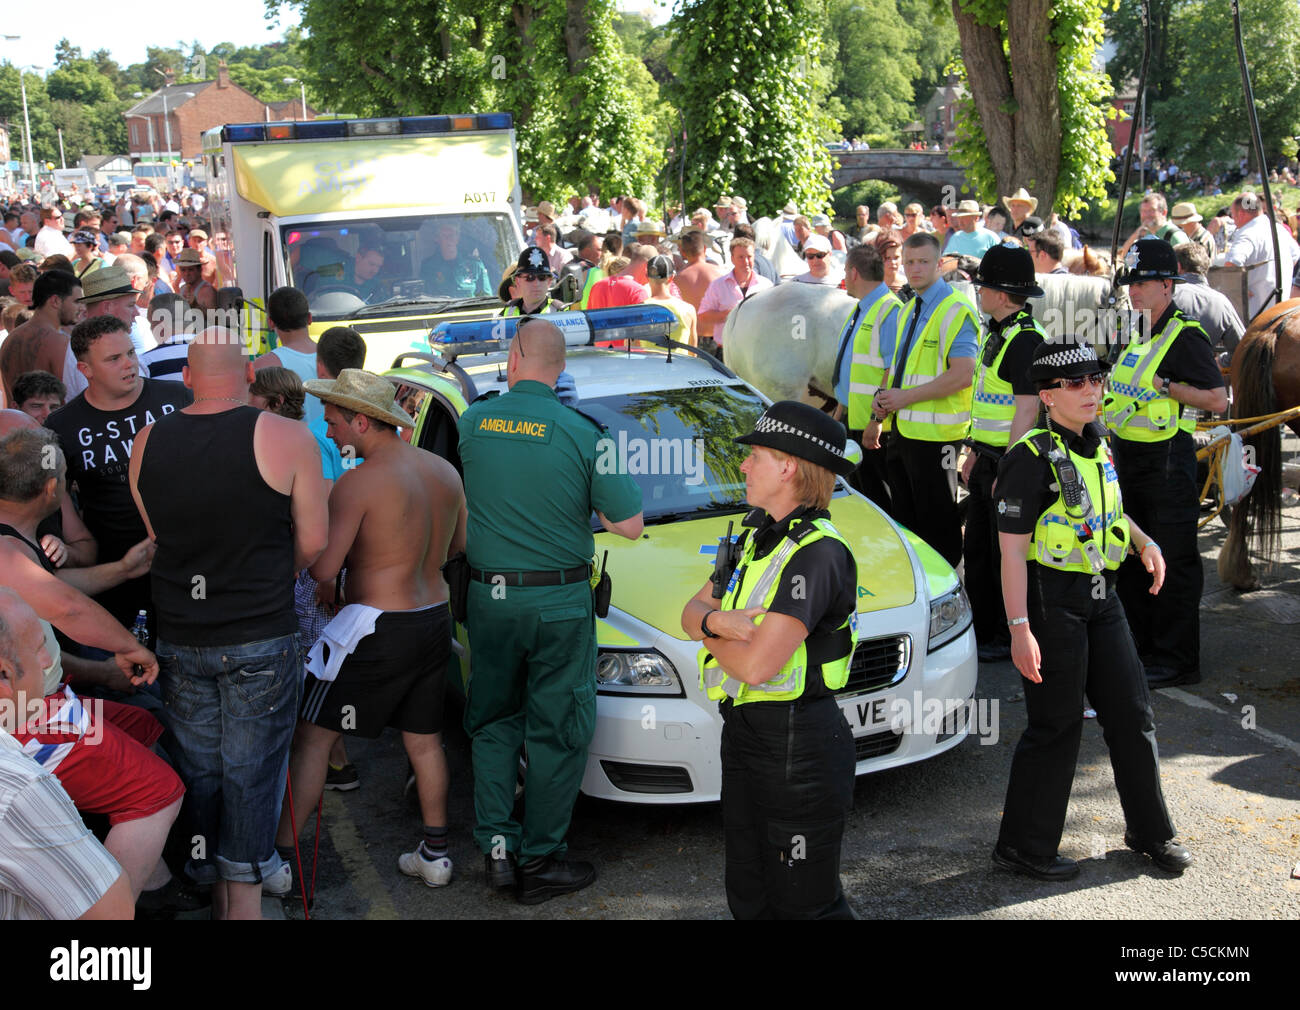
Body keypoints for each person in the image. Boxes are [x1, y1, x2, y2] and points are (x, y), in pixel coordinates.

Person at [129, 326, 329, 920]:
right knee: (252, 775)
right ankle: (242, 905)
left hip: (183, 634)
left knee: (204, 771)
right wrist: (269, 573)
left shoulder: (147, 441)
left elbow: (160, 535)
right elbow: (313, 543)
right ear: (247, 377)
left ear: (186, 378)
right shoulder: (288, 436)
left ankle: (214, 884)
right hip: (259, 632)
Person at [458, 318, 643, 903]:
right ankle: (540, 863)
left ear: (513, 358)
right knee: (557, 730)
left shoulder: (471, 422)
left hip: (489, 598)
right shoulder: (586, 434)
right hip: (558, 601)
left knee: (491, 723)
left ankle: (497, 852)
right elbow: (629, 526)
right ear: (561, 369)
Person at [992, 340, 1192, 881]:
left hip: (1103, 598)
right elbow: (1010, 553)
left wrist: (1143, 542)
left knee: (1133, 713)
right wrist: (1019, 629)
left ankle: (1150, 832)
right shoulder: (1027, 459)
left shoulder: (1101, 445)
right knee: (1055, 726)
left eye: (1095, 381)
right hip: (1049, 601)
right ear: (1047, 396)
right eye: (1074, 383)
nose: (1090, 391)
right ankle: (1023, 847)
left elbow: (1112, 516)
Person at [276, 369, 466, 888]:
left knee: (314, 738)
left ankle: (282, 861)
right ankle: (436, 854)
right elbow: (455, 547)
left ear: (362, 421)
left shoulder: (358, 483)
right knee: (425, 741)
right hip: (433, 618)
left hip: (375, 627)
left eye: (334, 421)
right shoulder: (445, 472)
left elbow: (321, 567)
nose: (330, 431)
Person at [680, 400, 859, 919]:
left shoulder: (817, 554)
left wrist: (710, 631)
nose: (743, 465)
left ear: (789, 467)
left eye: (755, 454)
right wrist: (719, 626)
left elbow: (758, 666)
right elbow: (691, 614)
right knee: (751, 893)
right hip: (745, 734)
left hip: (798, 747)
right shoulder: (758, 535)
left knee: (807, 905)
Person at [1105, 239, 1227, 688]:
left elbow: (1217, 398)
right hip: (1129, 459)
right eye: (1130, 283)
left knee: (1172, 558)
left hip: (1168, 463)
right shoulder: (1134, 330)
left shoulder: (1185, 334)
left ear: (1165, 285)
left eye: (1142, 284)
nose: (1133, 291)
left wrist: (1169, 386)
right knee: (1135, 554)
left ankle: (1178, 659)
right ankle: (1143, 645)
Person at [46, 316, 192, 630]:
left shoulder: (179, 398)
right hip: (116, 573)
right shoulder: (60, 427)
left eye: (130, 353)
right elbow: (48, 498)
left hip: (191, 564)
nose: (129, 365)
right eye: (114, 359)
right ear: (85, 370)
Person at [0, 589, 135, 920]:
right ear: (4, 675)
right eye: (38, 649)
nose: (48, 660)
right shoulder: (19, 787)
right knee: (160, 789)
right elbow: (112, 915)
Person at [864, 232, 979, 567]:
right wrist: (878, 416)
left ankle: (947, 601)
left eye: (924, 262)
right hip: (903, 433)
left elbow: (963, 375)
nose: (915, 269)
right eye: (909, 262)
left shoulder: (957, 310)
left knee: (938, 529)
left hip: (937, 440)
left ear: (939, 264)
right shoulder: (908, 307)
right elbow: (897, 370)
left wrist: (902, 399)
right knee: (908, 525)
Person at [962, 244, 1046, 663]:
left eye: (983, 287)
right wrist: (975, 451)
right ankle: (984, 628)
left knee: (1002, 555)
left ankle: (1001, 634)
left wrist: (1008, 467)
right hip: (989, 457)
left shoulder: (1025, 340)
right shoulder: (999, 333)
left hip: (1008, 463)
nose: (979, 292)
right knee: (978, 550)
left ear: (999, 293)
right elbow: (991, 406)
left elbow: (1028, 410)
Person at [834, 243, 903, 510]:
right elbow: (852, 368)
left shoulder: (889, 310)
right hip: (857, 419)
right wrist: (840, 410)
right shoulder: (862, 308)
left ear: (853, 273)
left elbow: (891, 370)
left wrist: (876, 420)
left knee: (878, 499)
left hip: (875, 429)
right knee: (861, 495)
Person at [0, 270, 81, 405]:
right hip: (52, 424)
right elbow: (74, 398)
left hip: (18, 424)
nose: (80, 308)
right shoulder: (60, 343)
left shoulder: (10, 338)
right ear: (55, 301)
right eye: (76, 301)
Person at [254, 287, 324, 429]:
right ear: (309, 318)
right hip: (336, 447)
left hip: (293, 446)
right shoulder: (334, 357)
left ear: (271, 322)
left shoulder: (263, 365)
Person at [697, 237, 773, 361]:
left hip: (758, 351)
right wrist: (728, 314)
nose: (746, 261)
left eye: (749, 256)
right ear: (732, 259)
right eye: (741, 257)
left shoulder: (766, 285)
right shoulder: (718, 285)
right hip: (727, 351)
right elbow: (702, 315)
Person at [1173, 243, 1245, 358]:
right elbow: (1243, 349)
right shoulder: (1221, 302)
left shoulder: (1163, 295)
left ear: (1178, 267)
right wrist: (1221, 362)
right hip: (1201, 372)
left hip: (1155, 372)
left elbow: (1140, 342)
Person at [422, 219, 492, 298]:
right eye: (445, 236)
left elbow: (487, 297)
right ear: (437, 239)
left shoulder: (475, 265)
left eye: (452, 235)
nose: (450, 240)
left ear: (458, 238)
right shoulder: (428, 267)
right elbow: (425, 298)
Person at [645, 254, 698, 346]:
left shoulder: (639, 310)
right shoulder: (688, 310)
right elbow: (693, 353)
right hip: (680, 361)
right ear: (671, 278)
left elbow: (634, 349)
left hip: (649, 360)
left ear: (647, 277)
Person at [501, 247, 560, 316]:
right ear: (518, 281)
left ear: (549, 282)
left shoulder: (562, 312)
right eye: (530, 277)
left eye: (542, 277)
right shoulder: (507, 312)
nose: (536, 283)